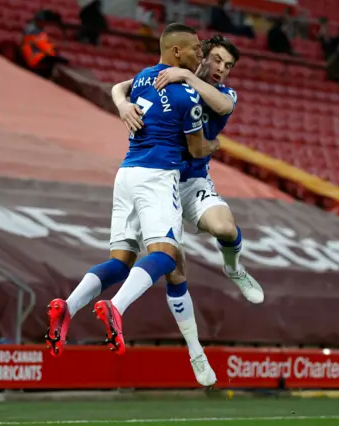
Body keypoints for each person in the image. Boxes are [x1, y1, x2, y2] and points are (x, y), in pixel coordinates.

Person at [46, 24, 215, 364]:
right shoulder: (188, 94)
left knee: (119, 262)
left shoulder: (141, 78)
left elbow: (119, 89)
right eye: (196, 48)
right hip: (157, 176)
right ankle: (116, 307)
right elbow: (197, 152)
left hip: (127, 174)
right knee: (166, 256)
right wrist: (216, 143)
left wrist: (122, 103)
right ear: (176, 52)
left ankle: (69, 307)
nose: (201, 53)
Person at [109, 35, 265, 386]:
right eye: (218, 60)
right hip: (158, 179)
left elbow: (223, 107)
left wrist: (189, 78)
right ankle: (196, 352)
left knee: (224, 228)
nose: (222, 69)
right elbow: (121, 86)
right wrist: (121, 104)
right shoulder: (167, 75)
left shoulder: (218, 91)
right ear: (203, 55)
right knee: (174, 270)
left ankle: (234, 267)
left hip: (192, 183)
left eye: (228, 65)